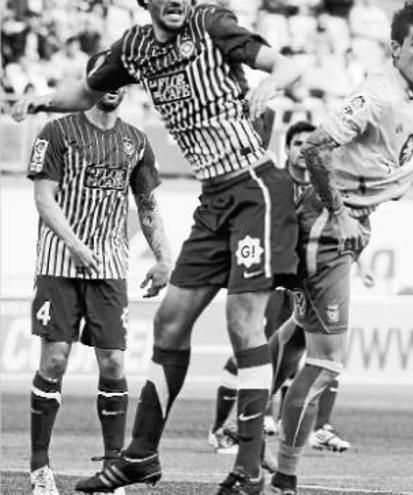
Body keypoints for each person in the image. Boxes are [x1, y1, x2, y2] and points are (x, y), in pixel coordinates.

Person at [12, 0, 303, 493]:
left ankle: (248, 470)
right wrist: (38, 102)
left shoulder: (210, 23)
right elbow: (84, 91)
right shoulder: (133, 48)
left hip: (255, 188)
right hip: (215, 199)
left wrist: (273, 83)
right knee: (169, 323)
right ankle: (141, 455)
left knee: (242, 322)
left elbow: (287, 65)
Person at [264, 2, 413, 493]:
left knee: (297, 334)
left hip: (344, 221)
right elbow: (313, 147)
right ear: (396, 48)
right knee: (325, 362)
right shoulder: (377, 94)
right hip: (327, 224)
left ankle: (249, 415)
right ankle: (283, 477)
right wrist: (341, 213)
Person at [26, 58, 171, 495]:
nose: (113, 86)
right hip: (59, 263)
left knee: (112, 362)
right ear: (91, 83)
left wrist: (165, 258)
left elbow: (147, 206)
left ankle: (113, 470)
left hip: (109, 268)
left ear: (125, 87)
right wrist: (74, 243)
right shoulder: (56, 133)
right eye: (104, 78)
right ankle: (39, 468)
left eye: (120, 79)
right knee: (54, 360)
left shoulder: (136, 141)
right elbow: (44, 198)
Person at [209, 121, 352, 455]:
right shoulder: (275, 185)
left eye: (310, 145)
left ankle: (314, 427)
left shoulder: (325, 189)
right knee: (259, 349)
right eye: (297, 143)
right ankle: (229, 427)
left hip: (306, 281)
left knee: (317, 347)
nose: (303, 151)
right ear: (287, 148)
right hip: (273, 280)